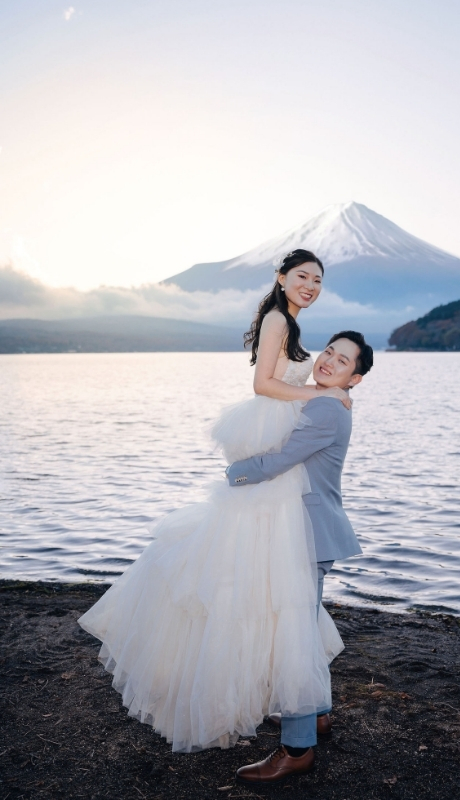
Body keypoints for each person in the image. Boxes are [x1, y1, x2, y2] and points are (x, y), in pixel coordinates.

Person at [78, 249, 352, 755]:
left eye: (317, 279)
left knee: (265, 566)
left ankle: (298, 701)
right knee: (248, 566)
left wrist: (324, 390)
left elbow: (287, 381)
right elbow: (262, 384)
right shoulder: (277, 318)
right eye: (302, 277)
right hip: (271, 433)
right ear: (282, 278)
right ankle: (282, 700)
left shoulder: (288, 321)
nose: (310, 285)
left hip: (280, 435)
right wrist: (322, 396)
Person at [230, 330, 373, 782]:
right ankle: (317, 715)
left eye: (343, 360)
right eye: (329, 351)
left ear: (356, 378)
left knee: (293, 635)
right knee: (304, 628)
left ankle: (296, 749)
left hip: (306, 535)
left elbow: (282, 459)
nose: (330, 361)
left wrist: (234, 472)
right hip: (309, 530)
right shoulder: (328, 401)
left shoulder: (329, 407)